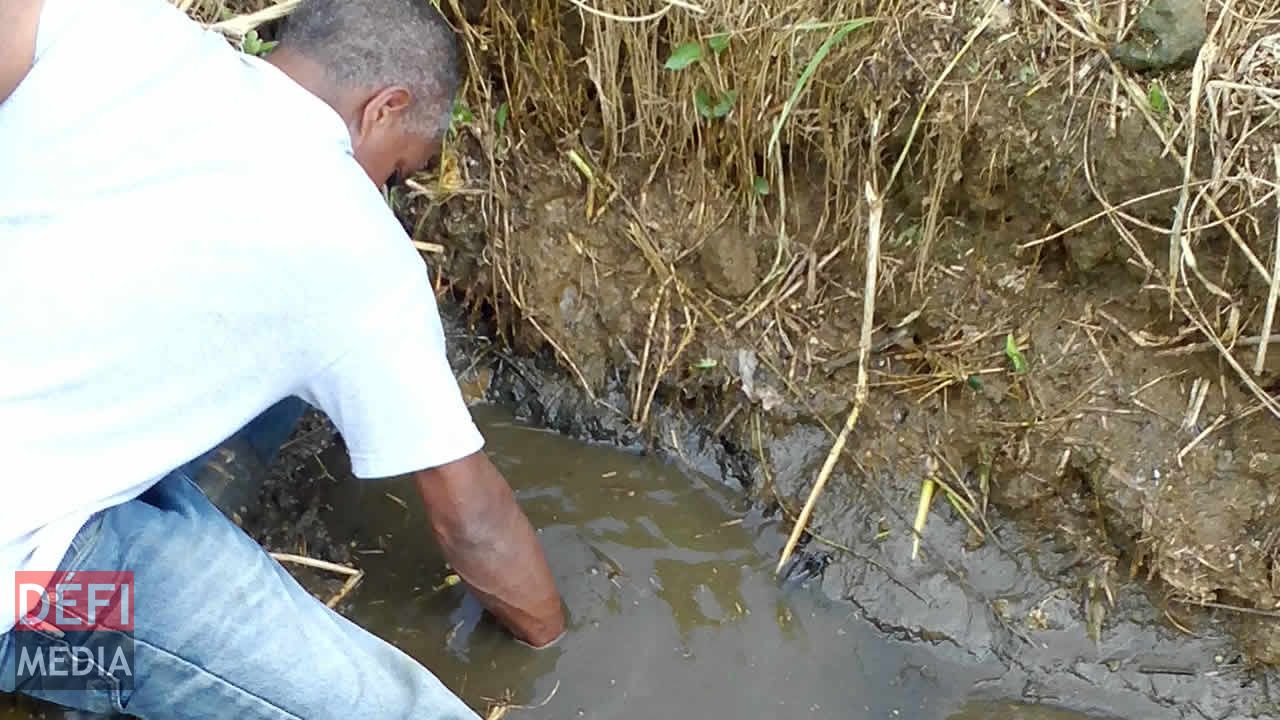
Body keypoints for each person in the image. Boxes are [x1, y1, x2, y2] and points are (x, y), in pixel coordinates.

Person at [0, 0, 566, 717]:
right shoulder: (358, 251)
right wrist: (554, 644)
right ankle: (87, 683)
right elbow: (472, 525)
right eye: (395, 174)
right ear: (384, 108)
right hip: (25, 590)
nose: (383, 195)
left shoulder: (116, 31)